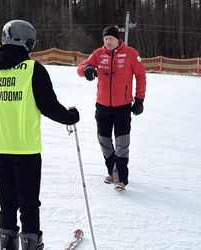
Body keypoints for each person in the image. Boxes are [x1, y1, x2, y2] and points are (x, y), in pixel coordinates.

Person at [0, 20, 79, 250]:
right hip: (25, 147)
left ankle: (7, 242)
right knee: (29, 202)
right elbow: (49, 106)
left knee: (7, 201)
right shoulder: (32, 70)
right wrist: (70, 117)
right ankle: (30, 242)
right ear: (27, 42)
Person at [77, 26, 146, 190]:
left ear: (118, 39)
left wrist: (139, 99)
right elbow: (80, 69)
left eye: (111, 39)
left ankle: (120, 178)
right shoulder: (98, 54)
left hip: (122, 107)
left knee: (122, 143)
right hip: (102, 106)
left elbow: (141, 76)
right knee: (104, 140)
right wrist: (86, 68)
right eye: (106, 38)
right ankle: (113, 172)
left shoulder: (131, 53)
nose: (108, 42)